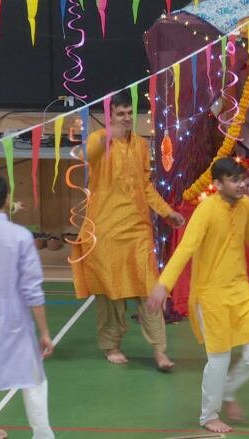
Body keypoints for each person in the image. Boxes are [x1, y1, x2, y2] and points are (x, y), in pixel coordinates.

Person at [147, 157, 249, 433]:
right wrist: (164, 284)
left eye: (242, 178)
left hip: (240, 290)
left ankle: (228, 391)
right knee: (219, 358)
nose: (242, 184)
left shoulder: (244, 205)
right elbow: (185, 248)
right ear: (218, 184)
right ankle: (209, 415)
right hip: (210, 296)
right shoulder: (206, 210)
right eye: (235, 180)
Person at [70, 91, 184, 369]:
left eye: (128, 113)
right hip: (106, 230)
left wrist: (167, 212)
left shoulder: (142, 145)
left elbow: (145, 185)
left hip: (137, 230)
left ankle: (159, 350)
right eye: (119, 114)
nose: (125, 119)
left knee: (149, 289)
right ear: (110, 117)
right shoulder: (98, 139)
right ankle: (111, 345)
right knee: (112, 293)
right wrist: (109, 135)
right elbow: (86, 155)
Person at [0, 175, 55, 439]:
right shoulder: (20, 237)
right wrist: (44, 332)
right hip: (14, 326)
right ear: (7, 199)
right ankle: (42, 435)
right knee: (34, 381)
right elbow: (32, 290)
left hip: (12, 325)